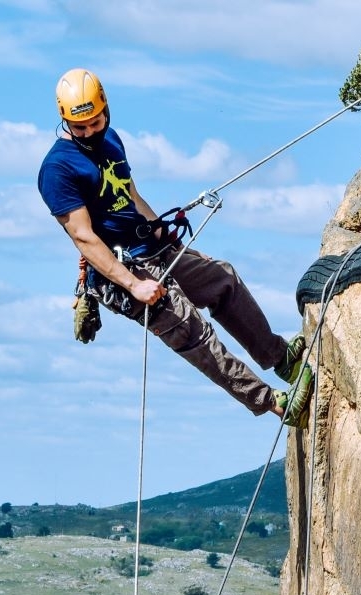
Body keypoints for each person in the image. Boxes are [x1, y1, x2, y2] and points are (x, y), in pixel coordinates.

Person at [37, 68, 315, 427]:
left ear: (106, 109)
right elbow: (85, 238)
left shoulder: (112, 142)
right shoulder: (57, 169)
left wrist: (161, 233)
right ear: (65, 121)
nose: (90, 131)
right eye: (80, 127)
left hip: (149, 248)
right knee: (192, 330)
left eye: (95, 121)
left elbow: (130, 195)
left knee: (222, 279)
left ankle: (282, 360)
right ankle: (274, 404)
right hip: (123, 271)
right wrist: (134, 285)